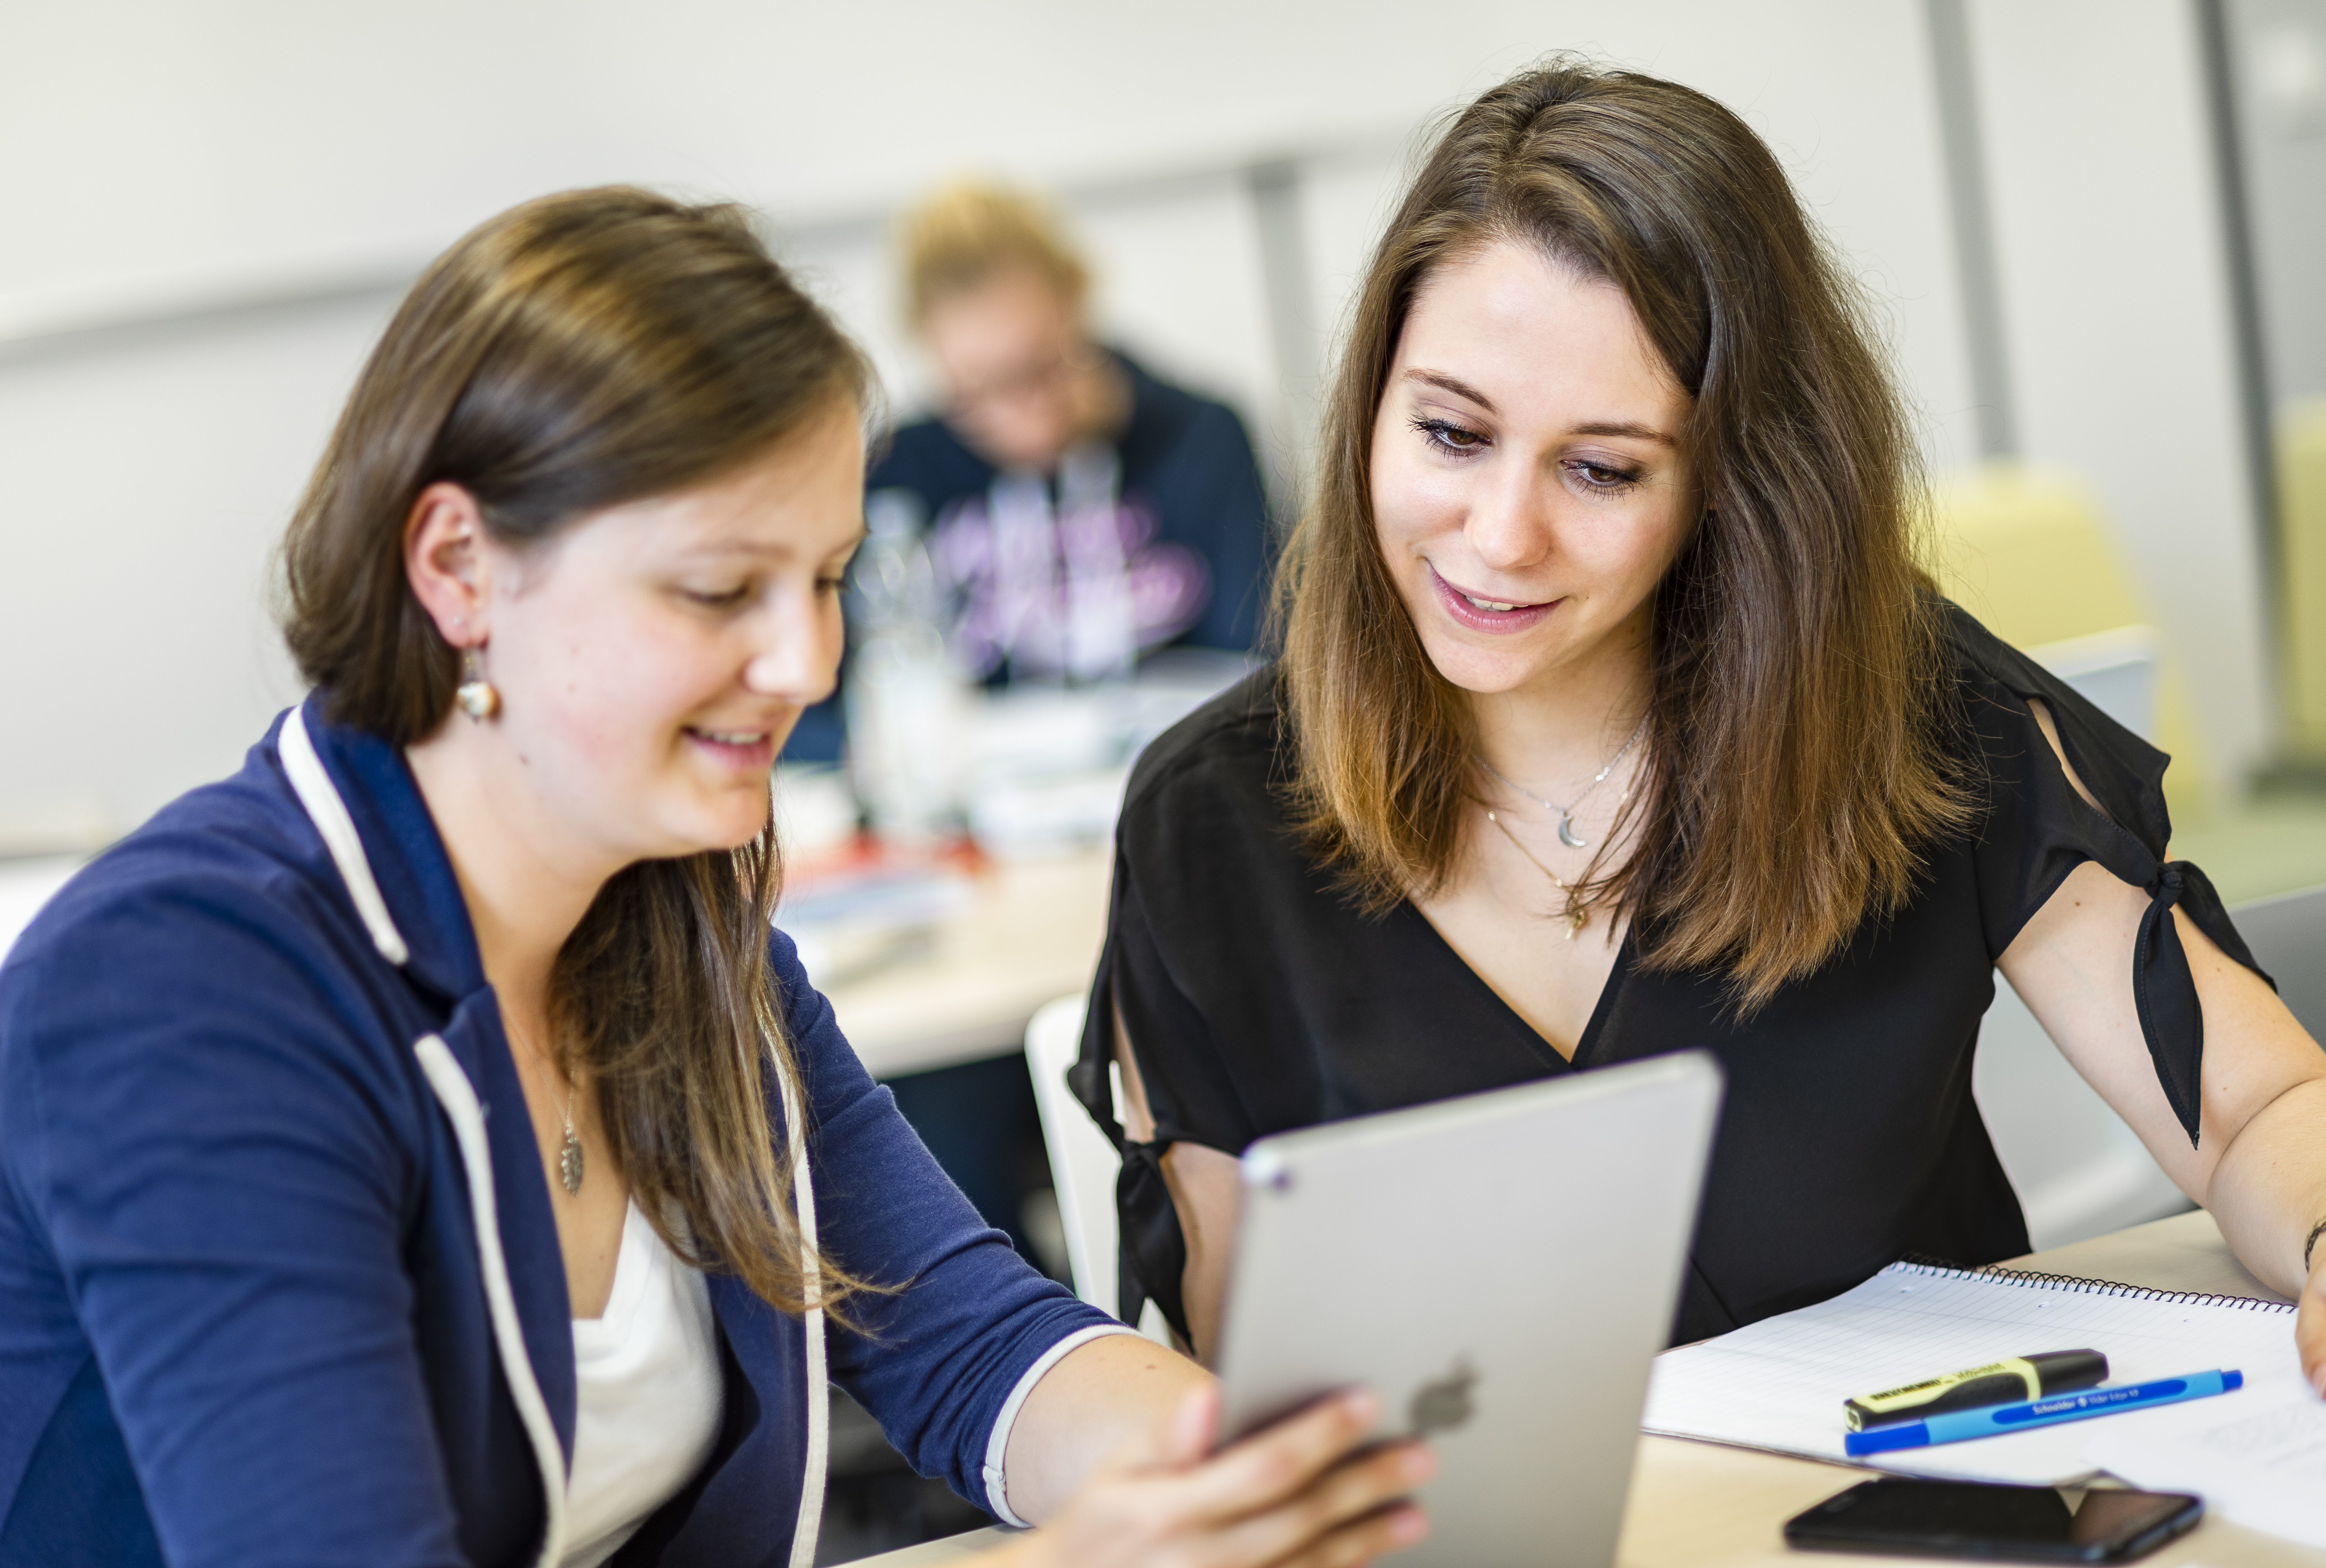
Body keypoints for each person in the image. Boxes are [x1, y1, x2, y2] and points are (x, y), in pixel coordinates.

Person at [0, 189, 1432, 1568]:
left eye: (825, 581)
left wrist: (1266, 1474)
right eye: (717, 590)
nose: (808, 664)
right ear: (458, 568)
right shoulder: (181, 980)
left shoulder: (670, 912)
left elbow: (972, 1340)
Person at [1072, 60, 2326, 1396]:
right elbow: (1249, 1377)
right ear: (1372, 411)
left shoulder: (1916, 717)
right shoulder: (1208, 825)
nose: (1502, 535)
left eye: (1602, 467)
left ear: (1734, 482)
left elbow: (2259, 1111)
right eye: (1451, 433)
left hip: (1930, 1512)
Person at [783, 181, 1274, 763]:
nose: (1025, 418)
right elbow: (822, 710)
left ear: (1078, 299)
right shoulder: (896, 475)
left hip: (1176, 776)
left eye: (1043, 366)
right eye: (978, 389)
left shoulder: (1201, 437)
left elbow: (1261, 665)